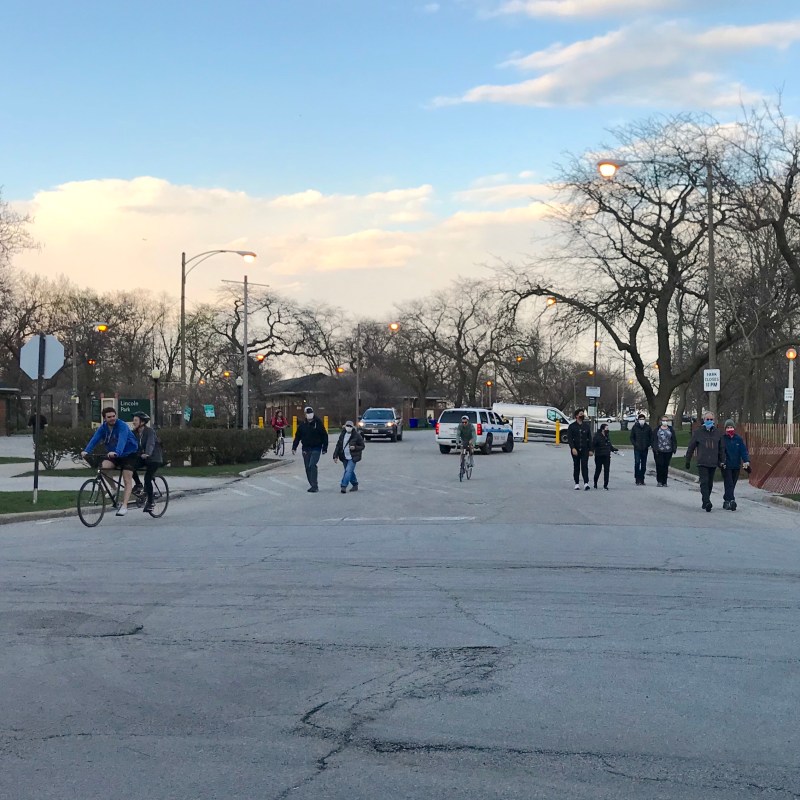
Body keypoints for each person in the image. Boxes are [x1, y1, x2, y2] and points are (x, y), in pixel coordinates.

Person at [81, 407, 139, 516]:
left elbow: (122, 440)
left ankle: (124, 506)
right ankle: (113, 488)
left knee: (127, 478)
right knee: (104, 467)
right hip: (114, 453)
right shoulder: (103, 428)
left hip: (129, 453)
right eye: (109, 417)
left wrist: (117, 452)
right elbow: (95, 439)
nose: (112, 418)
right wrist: (86, 451)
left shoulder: (122, 426)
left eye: (114, 416)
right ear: (104, 418)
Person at [685, 410, 726, 512]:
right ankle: (707, 501)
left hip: (713, 461)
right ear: (704, 420)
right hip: (702, 461)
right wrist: (688, 460)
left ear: (714, 421)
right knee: (704, 482)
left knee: (710, 483)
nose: (709, 421)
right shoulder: (698, 433)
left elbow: (721, 448)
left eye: (711, 419)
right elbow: (691, 446)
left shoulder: (718, 433)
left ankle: (705, 501)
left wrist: (722, 461)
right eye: (707, 419)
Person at [131, 412, 163, 512]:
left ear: (142, 422)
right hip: (143, 457)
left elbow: (151, 443)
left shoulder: (150, 431)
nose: (134, 422)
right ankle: (138, 485)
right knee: (129, 466)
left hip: (154, 458)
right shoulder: (134, 433)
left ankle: (150, 502)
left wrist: (148, 453)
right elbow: (131, 444)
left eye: (136, 420)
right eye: (134, 420)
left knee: (147, 478)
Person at [291, 406, 328, 492]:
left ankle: (315, 486)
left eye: (310, 412)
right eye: (307, 413)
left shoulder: (318, 423)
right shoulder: (302, 425)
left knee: (312, 465)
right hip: (306, 448)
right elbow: (297, 436)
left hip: (316, 447)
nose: (309, 414)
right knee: (307, 467)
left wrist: (325, 447)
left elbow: (324, 435)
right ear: (305, 414)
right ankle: (312, 484)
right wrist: (294, 447)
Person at [721, 419, 750, 511]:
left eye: (731, 427)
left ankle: (726, 499)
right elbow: (720, 452)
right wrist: (722, 462)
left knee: (733, 483)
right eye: (728, 427)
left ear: (734, 428)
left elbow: (743, 451)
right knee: (729, 483)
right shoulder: (723, 439)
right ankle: (732, 500)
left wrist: (746, 461)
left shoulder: (738, 439)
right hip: (726, 465)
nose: (730, 429)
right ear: (725, 429)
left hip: (736, 465)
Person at [333, 420, 365, 493]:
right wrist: (335, 456)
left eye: (350, 426)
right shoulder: (342, 434)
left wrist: (355, 447)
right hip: (344, 456)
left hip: (353, 457)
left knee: (348, 471)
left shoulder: (357, 435)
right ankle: (355, 484)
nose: (348, 427)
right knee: (349, 471)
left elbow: (362, 446)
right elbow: (338, 446)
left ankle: (343, 486)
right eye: (347, 426)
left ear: (353, 427)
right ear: (345, 426)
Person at [567, 408, 593, 491]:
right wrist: (572, 448)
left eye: (583, 414)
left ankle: (586, 483)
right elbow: (570, 439)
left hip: (585, 449)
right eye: (580, 414)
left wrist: (591, 450)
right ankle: (577, 483)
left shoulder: (586, 426)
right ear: (576, 416)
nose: (582, 415)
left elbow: (590, 438)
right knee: (576, 466)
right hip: (576, 449)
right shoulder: (571, 426)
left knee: (584, 466)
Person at [652, 417, 678, 487]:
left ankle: (664, 481)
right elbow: (653, 440)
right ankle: (659, 481)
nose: (665, 422)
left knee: (665, 466)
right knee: (659, 465)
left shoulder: (670, 429)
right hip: (659, 451)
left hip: (668, 451)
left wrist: (674, 448)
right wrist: (655, 448)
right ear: (661, 421)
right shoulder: (657, 430)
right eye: (663, 420)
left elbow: (674, 439)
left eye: (666, 420)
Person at [592, 423, 619, 490]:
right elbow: (593, 444)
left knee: (607, 470)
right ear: (602, 429)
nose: (608, 430)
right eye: (606, 428)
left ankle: (605, 485)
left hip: (606, 455)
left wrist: (614, 449)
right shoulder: (597, 436)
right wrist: (592, 451)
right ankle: (595, 483)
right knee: (598, 469)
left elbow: (609, 445)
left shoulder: (607, 436)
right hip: (599, 455)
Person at [630, 413, 653, 486]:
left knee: (643, 465)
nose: (642, 420)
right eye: (640, 419)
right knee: (637, 463)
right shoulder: (635, 427)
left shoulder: (648, 428)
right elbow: (632, 437)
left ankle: (642, 478)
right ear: (638, 420)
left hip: (645, 448)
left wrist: (648, 444)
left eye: (643, 419)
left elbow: (651, 437)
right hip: (637, 448)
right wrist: (635, 444)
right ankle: (637, 478)